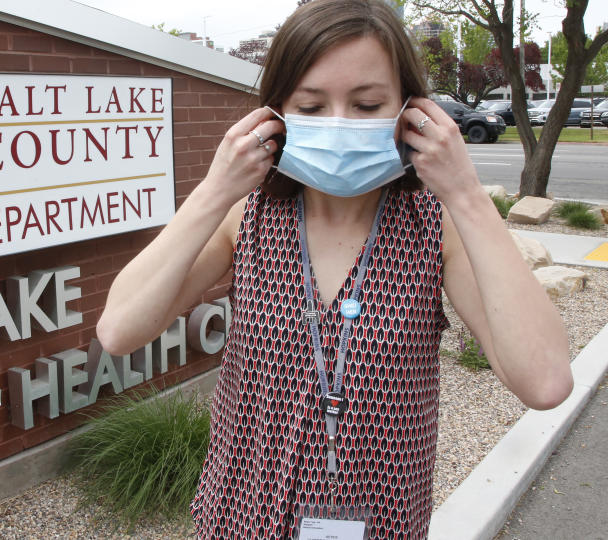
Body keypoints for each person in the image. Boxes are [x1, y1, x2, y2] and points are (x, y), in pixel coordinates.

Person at [95, 0, 573, 537]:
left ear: (411, 110)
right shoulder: (246, 217)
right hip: (240, 518)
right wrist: (214, 190)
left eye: (368, 104)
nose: (340, 124)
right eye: (312, 106)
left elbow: (546, 383)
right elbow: (119, 331)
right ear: (275, 112)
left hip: (382, 523)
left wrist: (465, 194)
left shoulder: (437, 230)